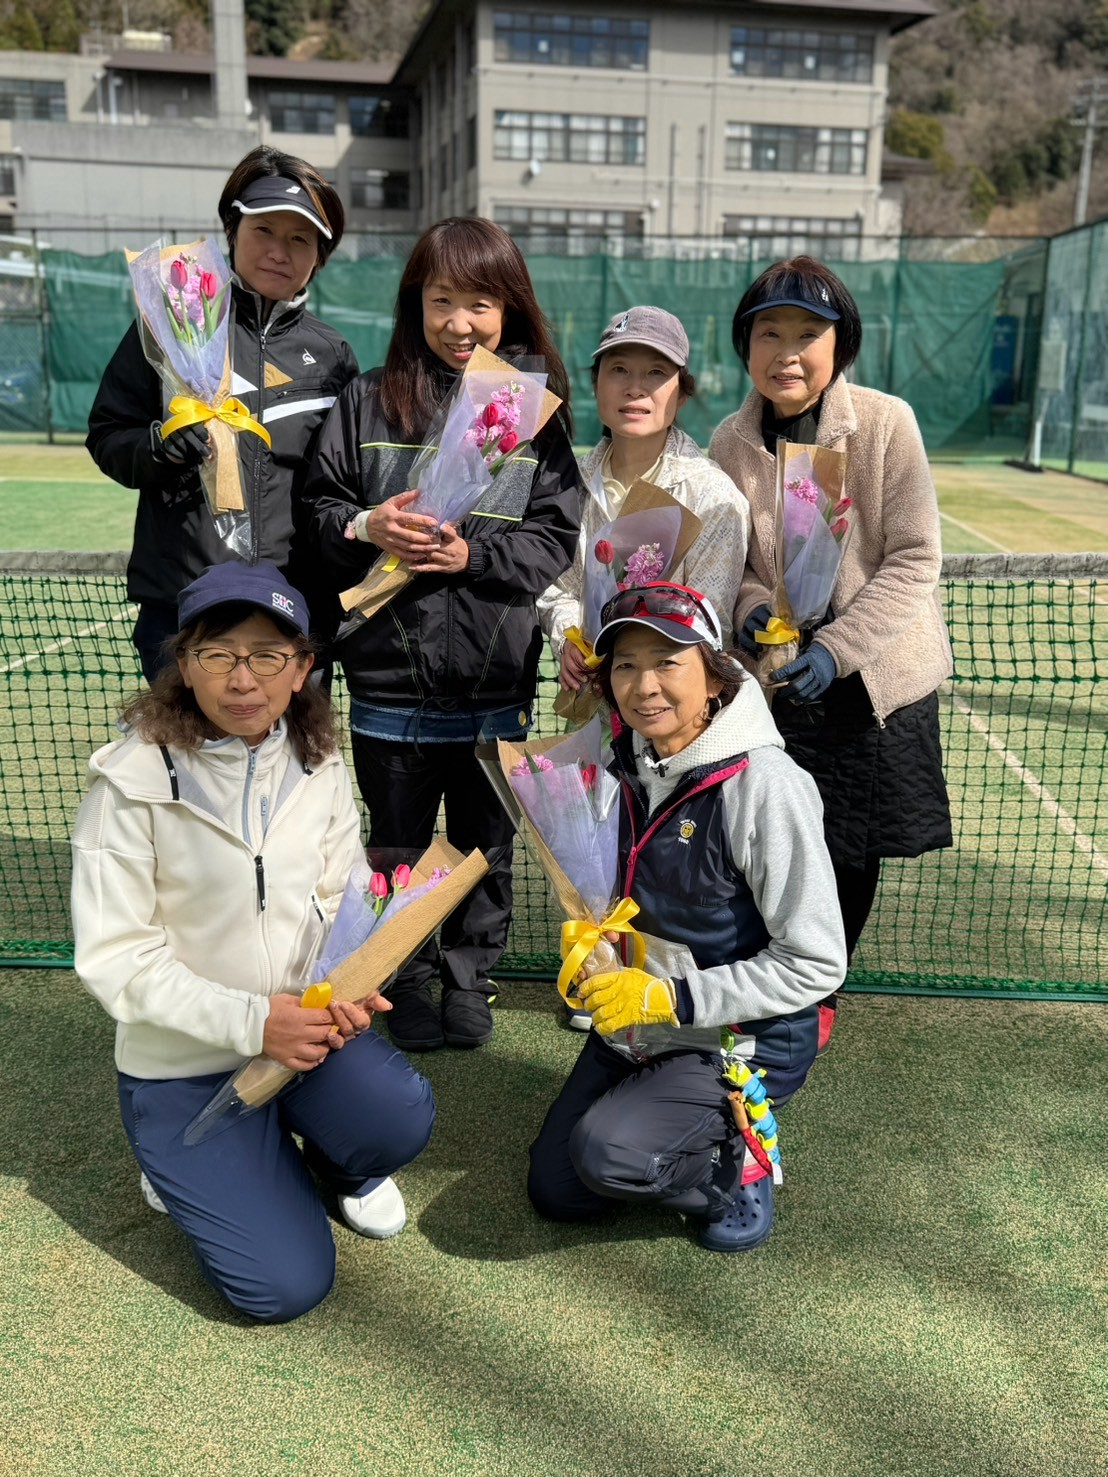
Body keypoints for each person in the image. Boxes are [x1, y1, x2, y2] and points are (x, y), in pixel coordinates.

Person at [70, 561, 436, 1323]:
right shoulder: (128, 783)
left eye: (268, 655)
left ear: (301, 668)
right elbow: (116, 959)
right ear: (185, 664)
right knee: (282, 1287)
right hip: (183, 1066)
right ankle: (200, 1166)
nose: (243, 678)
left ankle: (334, 1168)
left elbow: (341, 895)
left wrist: (350, 985)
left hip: (306, 1038)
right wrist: (253, 1022)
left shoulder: (319, 759)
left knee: (398, 1117)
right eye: (218, 653)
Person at [303, 217, 581, 1054]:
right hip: (387, 685)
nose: (461, 322)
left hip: (495, 686)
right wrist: (367, 525)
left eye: (480, 303)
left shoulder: (530, 415)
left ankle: (468, 978)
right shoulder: (365, 400)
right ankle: (408, 976)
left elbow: (553, 535)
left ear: (511, 310)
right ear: (415, 304)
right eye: (442, 300)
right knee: (395, 848)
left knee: (485, 846)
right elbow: (316, 510)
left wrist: (471, 555)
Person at [527, 583, 845, 1251]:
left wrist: (668, 996)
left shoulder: (766, 785)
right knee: (557, 1189)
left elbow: (817, 962)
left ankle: (739, 1160)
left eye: (667, 662)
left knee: (607, 1155)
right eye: (625, 665)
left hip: (738, 1036)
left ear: (715, 674)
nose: (644, 685)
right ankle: (667, 1121)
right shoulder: (618, 760)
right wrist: (593, 945)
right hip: (642, 1026)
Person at [709, 257, 953, 1048]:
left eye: (807, 334)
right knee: (773, 839)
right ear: (745, 346)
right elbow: (737, 563)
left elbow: (914, 558)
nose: (787, 352)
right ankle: (765, 972)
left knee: (848, 850)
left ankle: (818, 993)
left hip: (867, 682)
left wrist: (837, 650)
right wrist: (751, 611)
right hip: (780, 681)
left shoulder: (885, 422)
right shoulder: (729, 441)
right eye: (768, 333)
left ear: (839, 345)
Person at [87, 145, 359, 680]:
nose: (278, 252)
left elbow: (342, 487)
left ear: (319, 256)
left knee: (289, 741)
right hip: (181, 608)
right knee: (182, 739)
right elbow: (108, 436)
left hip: (293, 609)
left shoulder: (333, 355)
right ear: (232, 231)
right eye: (264, 231)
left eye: (299, 239)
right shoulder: (168, 327)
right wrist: (159, 447)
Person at [539, 304, 749, 683]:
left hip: (669, 702)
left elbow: (709, 622)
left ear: (682, 394)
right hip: (587, 696)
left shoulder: (712, 497)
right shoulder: (568, 482)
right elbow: (555, 587)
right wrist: (569, 636)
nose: (635, 388)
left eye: (656, 373)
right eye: (619, 369)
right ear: (596, 384)